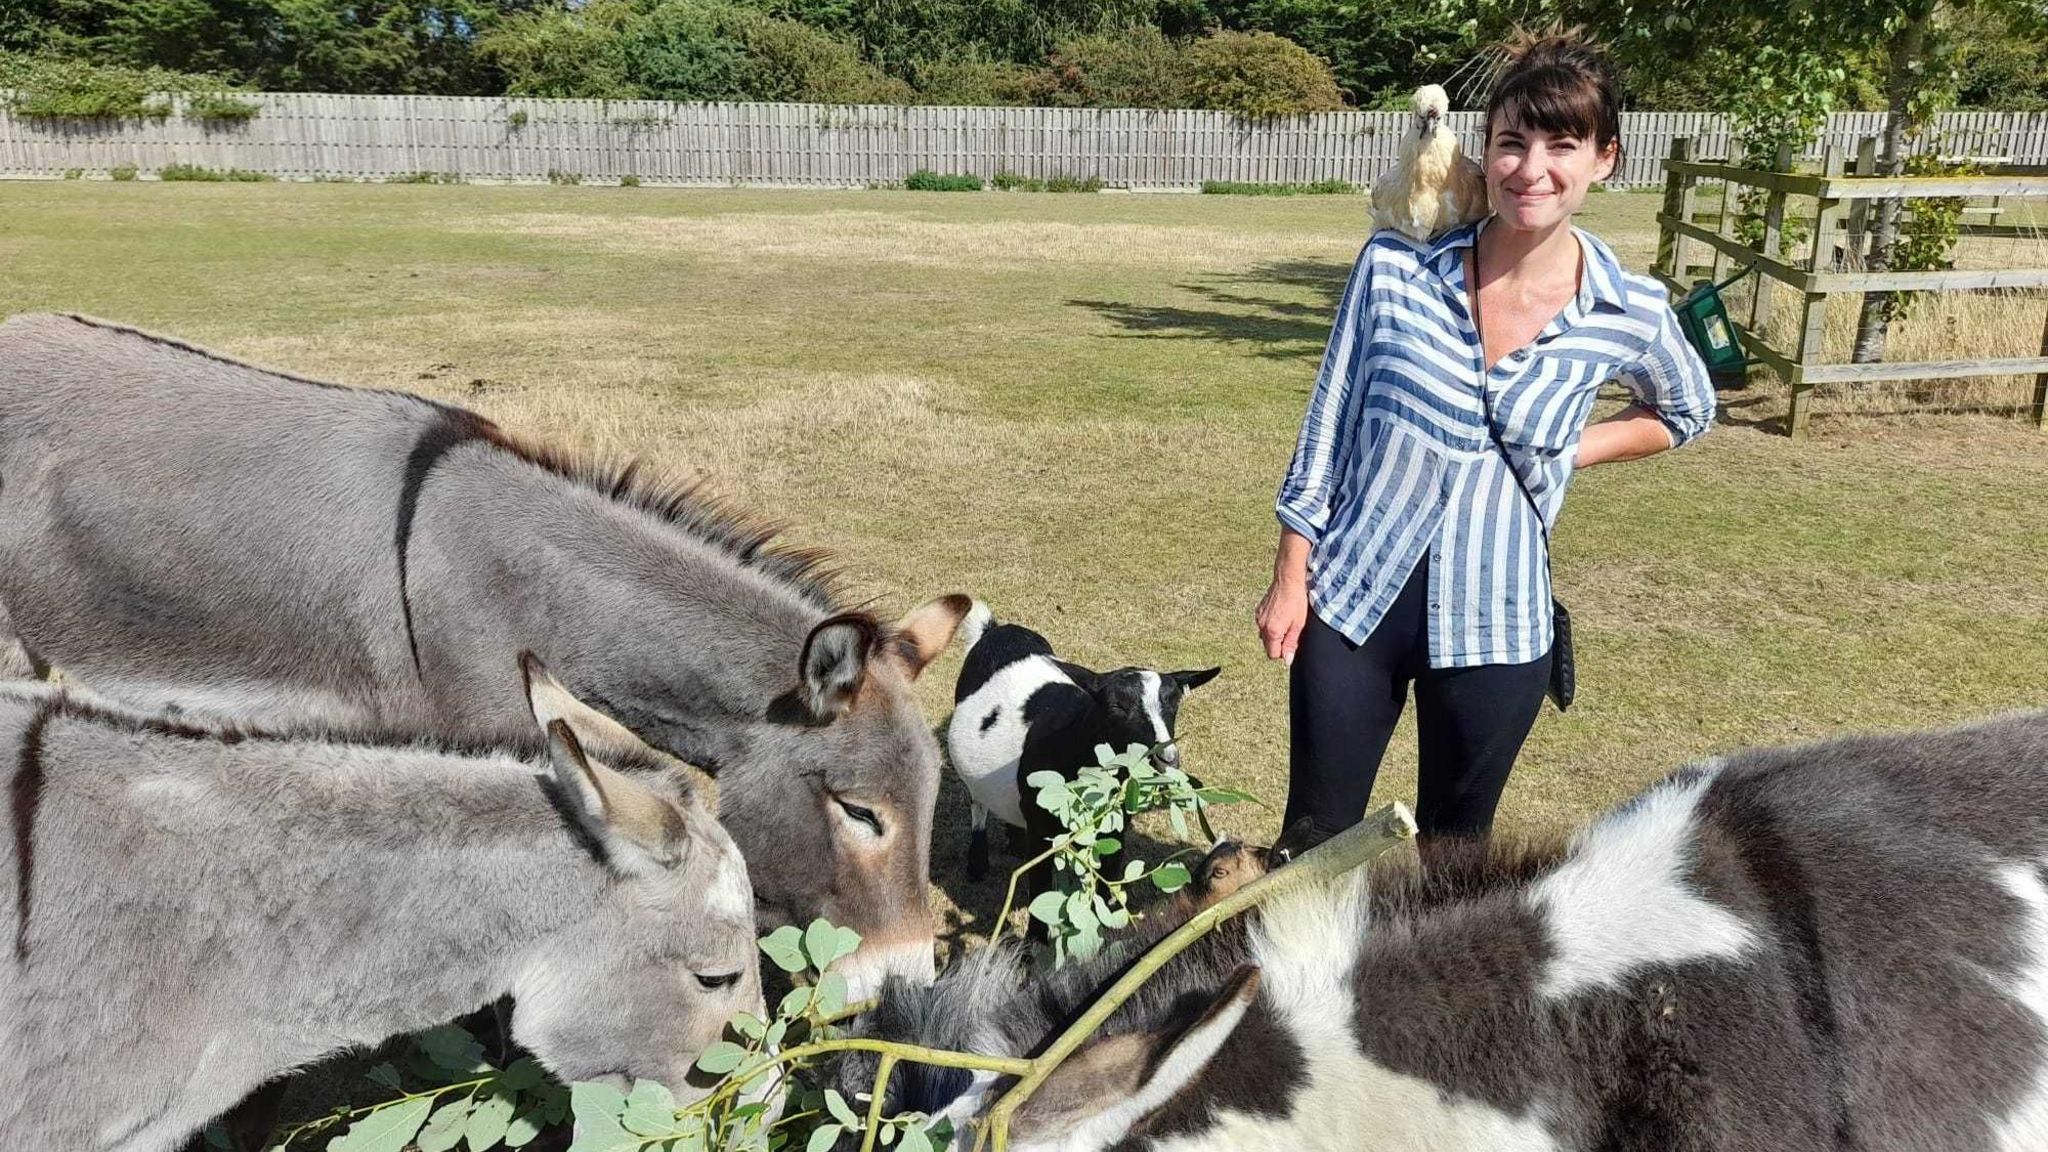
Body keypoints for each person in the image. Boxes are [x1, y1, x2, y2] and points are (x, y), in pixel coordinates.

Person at [1255, 31, 1717, 848]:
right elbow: (1328, 420)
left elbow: (1686, 410)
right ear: (1487, 148)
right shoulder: (1396, 267)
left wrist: (1574, 449)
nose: (1530, 168)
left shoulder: (1629, 309)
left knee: (1452, 866)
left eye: (1561, 145)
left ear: (1604, 159)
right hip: (1353, 601)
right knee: (1311, 848)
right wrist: (1291, 575)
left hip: (1499, 625)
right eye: (1512, 142)